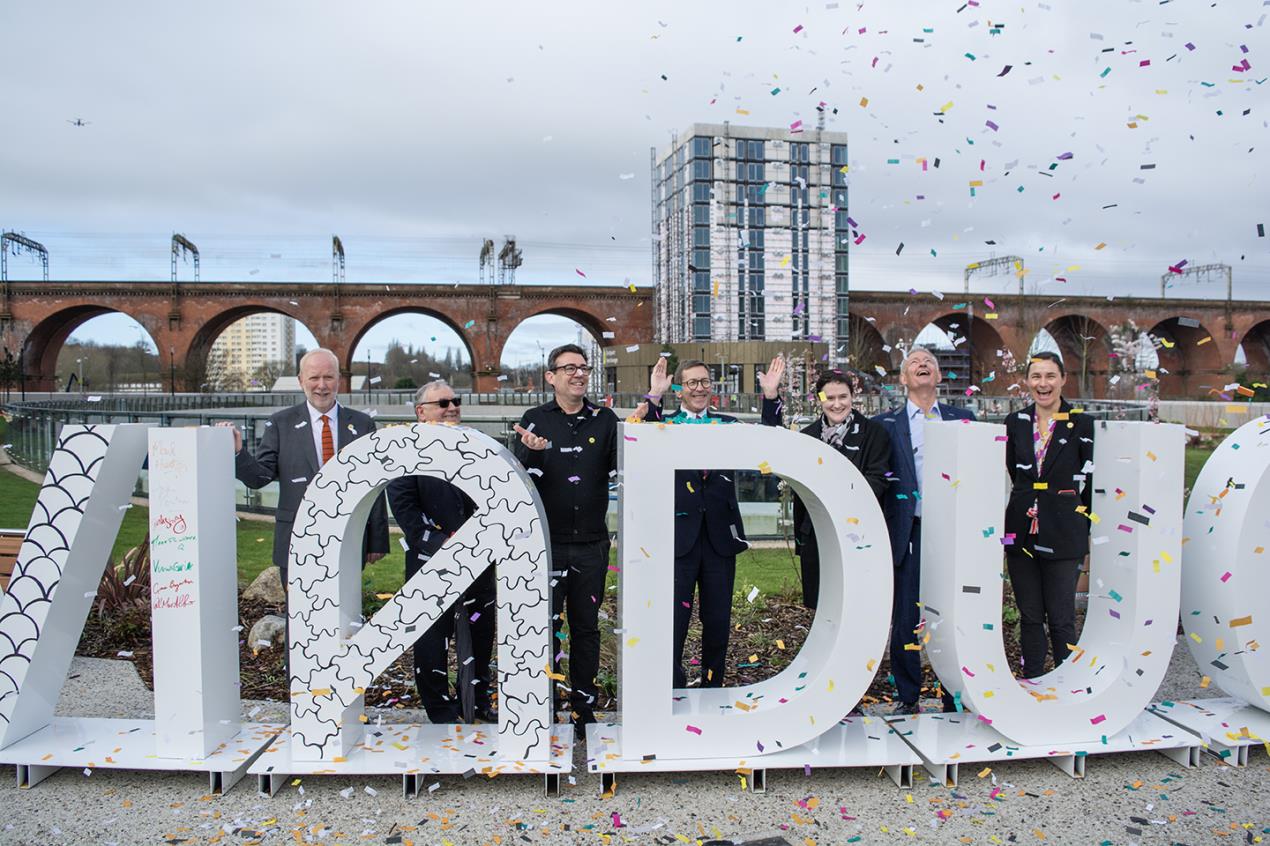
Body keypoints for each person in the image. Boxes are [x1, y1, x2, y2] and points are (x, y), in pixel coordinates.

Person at [512, 344, 648, 735]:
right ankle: (546, 705)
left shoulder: (604, 419)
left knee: (586, 627)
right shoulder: (534, 419)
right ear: (551, 377)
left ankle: (583, 709)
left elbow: (621, 465)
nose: (578, 374)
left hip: (591, 544)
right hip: (546, 544)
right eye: (568, 368)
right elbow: (519, 473)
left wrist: (641, 421)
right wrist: (532, 452)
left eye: (583, 367)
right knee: (545, 625)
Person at [222, 348, 388, 585]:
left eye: (328, 377)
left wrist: (377, 539)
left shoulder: (362, 424)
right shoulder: (281, 424)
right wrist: (239, 452)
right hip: (295, 539)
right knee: (299, 617)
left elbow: (374, 484)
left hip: (348, 537)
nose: (322, 385)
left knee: (343, 615)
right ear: (301, 381)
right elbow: (259, 478)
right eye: (314, 377)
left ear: (339, 380)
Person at [387, 380, 497, 724]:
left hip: (479, 563)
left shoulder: (476, 447)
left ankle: (477, 703)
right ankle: (440, 710)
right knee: (432, 641)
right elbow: (405, 511)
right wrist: (447, 547)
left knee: (480, 635)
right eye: (442, 403)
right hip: (429, 565)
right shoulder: (404, 453)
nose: (451, 408)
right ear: (422, 412)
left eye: (455, 401)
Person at [873, 346, 975, 715]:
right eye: (914, 362)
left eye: (929, 362)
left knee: (952, 614)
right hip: (907, 529)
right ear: (903, 379)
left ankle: (954, 694)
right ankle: (908, 695)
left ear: (939, 376)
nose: (922, 365)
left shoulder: (963, 419)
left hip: (951, 531)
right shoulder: (885, 425)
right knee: (905, 616)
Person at [645, 357, 750, 688]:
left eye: (704, 382)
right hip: (678, 540)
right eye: (691, 382)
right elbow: (640, 437)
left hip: (720, 539)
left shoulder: (729, 425)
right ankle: (672, 688)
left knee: (718, 620)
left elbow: (770, 441)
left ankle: (712, 687)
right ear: (680, 390)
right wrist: (654, 396)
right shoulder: (663, 424)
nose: (699, 388)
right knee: (674, 621)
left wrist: (773, 398)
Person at [758, 357, 892, 609]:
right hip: (816, 537)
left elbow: (878, 481)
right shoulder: (807, 437)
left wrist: (836, 497)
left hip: (859, 535)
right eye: (829, 398)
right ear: (820, 399)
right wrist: (771, 395)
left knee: (858, 606)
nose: (837, 404)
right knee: (822, 609)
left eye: (843, 397)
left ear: (853, 397)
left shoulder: (875, 435)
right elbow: (774, 451)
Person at [1004, 351, 1094, 679]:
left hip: (1064, 532)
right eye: (1037, 377)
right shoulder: (1015, 422)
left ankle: (1067, 685)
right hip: (1022, 532)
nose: (1043, 384)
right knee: (1029, 617)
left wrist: (1082, 525)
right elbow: (1016, 471)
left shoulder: (1082, 423)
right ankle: (1032, 685)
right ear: (1027, 382)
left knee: (1060, 618)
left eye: (1050, 376)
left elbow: (1092, 479)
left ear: (1063, 379)